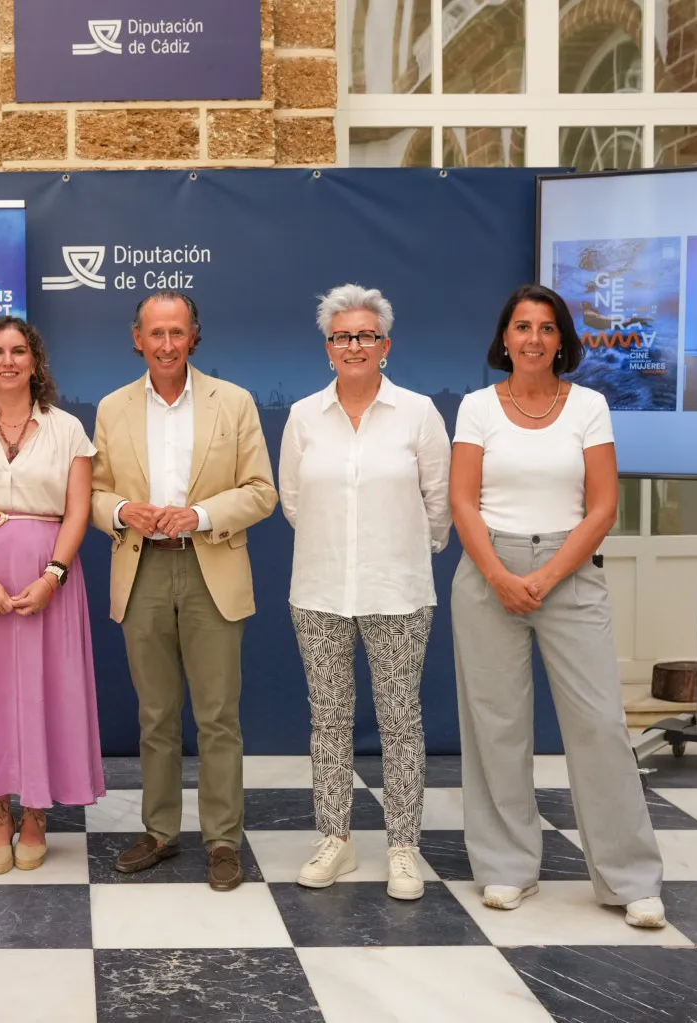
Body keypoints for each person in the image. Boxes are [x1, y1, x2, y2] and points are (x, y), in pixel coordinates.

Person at [450, 283, 665, 928]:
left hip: (568, 574)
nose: (534, 339)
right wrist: (500, 575)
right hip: (488, 573)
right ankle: (506, 866)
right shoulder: (477, 408)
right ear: (505, 337)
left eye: (547, 328)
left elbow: (603, 507)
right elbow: (463, 501)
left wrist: (544, 577)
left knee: (599, 725)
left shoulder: (589, 407)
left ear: (562, 340)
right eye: (523, 326)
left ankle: (630, 879)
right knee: (496, 727)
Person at [90, 290, 278, 892]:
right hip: (142, 569)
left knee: (218, 716)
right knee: (155, 715)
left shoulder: (235, 402)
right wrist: (122, 510)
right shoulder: (113, 407)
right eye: (156, 333)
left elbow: (261, 491)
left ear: (194, 336)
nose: (167, 344)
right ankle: (161, 831)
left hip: (211, 569)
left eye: (177, 332)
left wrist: (199, 516)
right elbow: (91, 493)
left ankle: (223, 841)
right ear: (137, 339)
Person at [279, 284, 451, 900]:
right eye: (343, 336)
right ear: (328, 348)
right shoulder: (304, 416)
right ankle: (337, 839)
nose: (355, 345)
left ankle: (403, 846)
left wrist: (398, 553)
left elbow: (438, 504)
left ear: (386, 346)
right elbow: (294, 502)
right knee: (328, 721)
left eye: (366, 336)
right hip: (319, 590)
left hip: (397, 591)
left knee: (400, 722)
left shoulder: (418, 414)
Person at [0, 316, 104, 874]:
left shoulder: (68, 429)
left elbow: (78, 510)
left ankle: (36, 814)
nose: (8, 361)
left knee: (42, 691)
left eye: (18, 351)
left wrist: (53, 575)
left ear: (35, 361)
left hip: (46, 579)